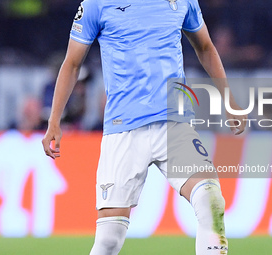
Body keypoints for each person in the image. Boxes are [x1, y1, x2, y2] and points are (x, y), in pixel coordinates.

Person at [42, 0, 247, 254]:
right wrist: (54, 120)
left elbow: (205, 47)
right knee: (109, 238)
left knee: (210, 199)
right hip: (123, 128)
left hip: (175, 123)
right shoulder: (96, 4)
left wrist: (228, 99)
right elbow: (72, 63)